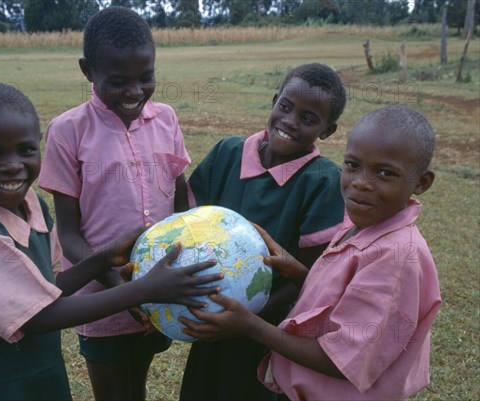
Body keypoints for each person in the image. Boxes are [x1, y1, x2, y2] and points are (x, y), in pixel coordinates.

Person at [0, 82, 222, 401]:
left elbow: (51, 288)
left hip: (40, 382)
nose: (12, 165)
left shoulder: (33, 207)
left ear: (40, 146)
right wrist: (146, 289)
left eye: (25, 150)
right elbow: (38, 316)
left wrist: (104, 257)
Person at [181, 105, 442, 401]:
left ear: (422, 182)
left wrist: (251, 326)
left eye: (385, 173)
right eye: (353, 165)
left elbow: (339, 359)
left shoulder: (396, 257)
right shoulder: (363, 227)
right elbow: (337, 304)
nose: (360, 183)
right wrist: (296, 270)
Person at [37, 7, 192, 401]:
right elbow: (69, 234)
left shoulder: (167, 119)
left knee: (136, 381)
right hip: (100, 296)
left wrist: (155, 285)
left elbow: (181, 199)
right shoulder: (67, 131)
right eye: (119, 81)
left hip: (158, 290)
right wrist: (121, 287)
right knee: (111, 391)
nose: (135, 92)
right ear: (88, 70)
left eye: (146, 78)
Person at [180, 63, 347, 401]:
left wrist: (247, 320)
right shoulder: (227, 153)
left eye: (308, 118)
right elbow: (186, 227)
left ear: (327, 131)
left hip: (272, 333)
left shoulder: (323, 179)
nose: (290, 121)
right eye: (285, 106)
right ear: (274, 101)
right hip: (212, 321)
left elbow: (310, 277)